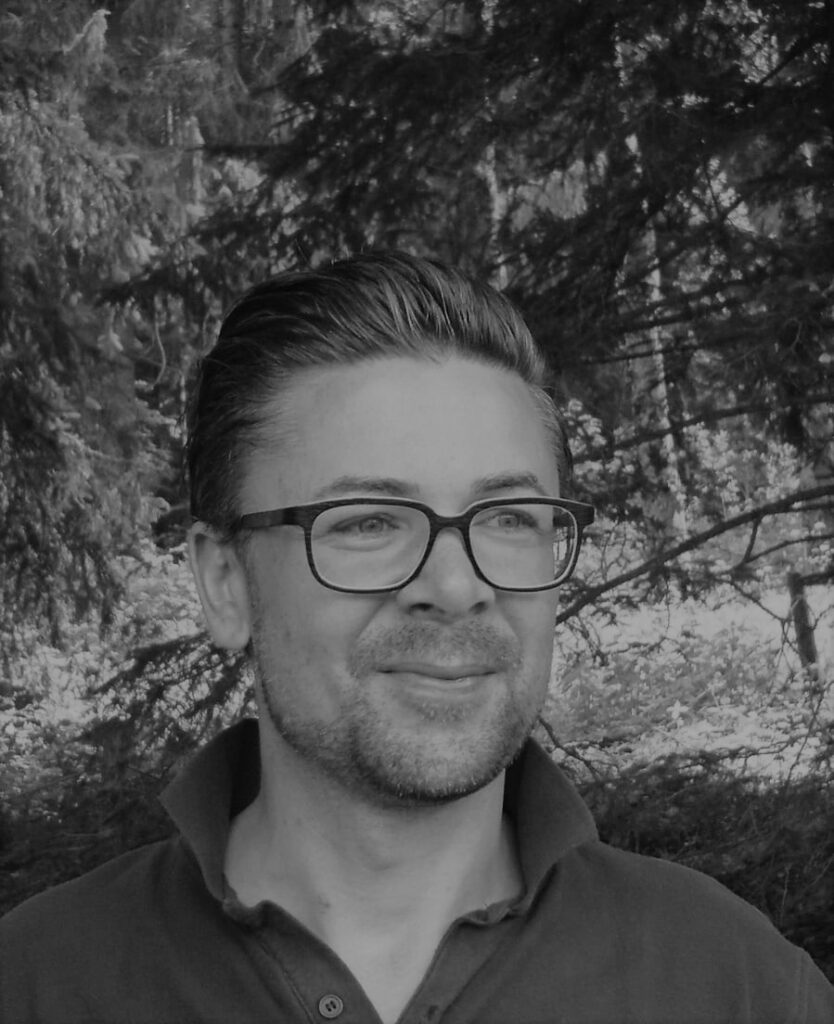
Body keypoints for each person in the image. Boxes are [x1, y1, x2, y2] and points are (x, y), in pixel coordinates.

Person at [1, 252, 832, 1024]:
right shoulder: (38, 984)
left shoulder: (733, 985)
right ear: (226, 583)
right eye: (367, 521)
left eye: (509, 517)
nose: (457, 587)